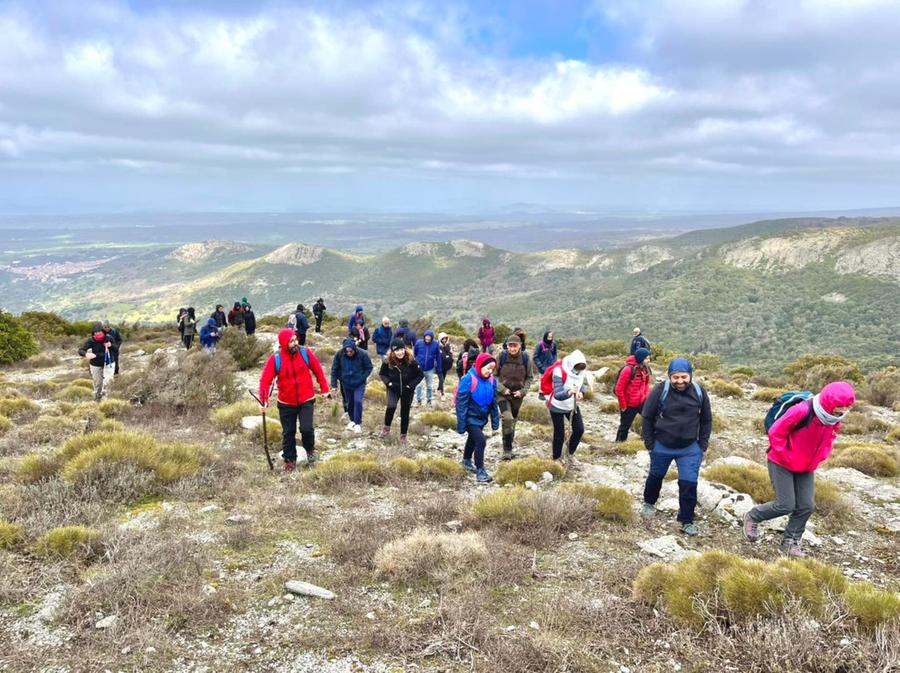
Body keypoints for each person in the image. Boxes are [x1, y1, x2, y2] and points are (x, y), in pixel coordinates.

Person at [743, 381, 856, 557]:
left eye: (847, 407)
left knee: (807, 506)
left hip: (806, 466)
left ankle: (790, 542)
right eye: (840, 407)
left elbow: (829, 439)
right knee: (785, 504)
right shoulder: (802, 410)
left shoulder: (833, 418)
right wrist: (786, 455)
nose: (843, 411)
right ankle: (753, 516)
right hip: (781, 462)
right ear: (829, 402)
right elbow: (775, 432)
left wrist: (821, 456)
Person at [640, 358, 712, 537]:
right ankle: (649, 503)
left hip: (689, 448)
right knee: (656, 476)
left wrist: (702, 444)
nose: (680, 381)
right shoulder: (660, 390)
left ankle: (686, 520)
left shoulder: (698, 391)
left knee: (689, 483)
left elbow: (706, 419)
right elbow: (647, 417)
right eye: (675, 377)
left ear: (690, 375)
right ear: (669, 376)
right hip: (662, 445)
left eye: (684, 377)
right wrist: (650, 444)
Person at [259, 329, 330, 470]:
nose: (295, 343)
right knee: (288, 432)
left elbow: (317, 370)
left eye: (295, 340)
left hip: (306, 399)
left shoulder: (305, 352)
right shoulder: (276, 358)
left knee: (306, 429)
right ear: (284, 343)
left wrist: (324, 389)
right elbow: (265, 381)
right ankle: (290, 460)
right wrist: (263, 400)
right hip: (286, 403)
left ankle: (310, 450)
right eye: (291, 341)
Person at [455, 353, 500, 483]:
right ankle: (480, 471)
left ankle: (466, 460)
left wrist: (495, 422)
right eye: (487, 368)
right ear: (480, 365)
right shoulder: (468, 379)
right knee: (481, 441)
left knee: (473, 439)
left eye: (492, 369)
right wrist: (462, 424)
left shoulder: (492, 380)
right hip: (470, 418)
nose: (490, 372)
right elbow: (461, 404)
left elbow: (493, 402)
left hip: (482, 417)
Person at [496, 334, 534, 461]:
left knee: (512, 422)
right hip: (502, 395)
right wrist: (502, 389)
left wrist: (523, 391)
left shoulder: (525, 358)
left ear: (520, 346)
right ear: (507, 346)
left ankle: (509, 446)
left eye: (515, 346)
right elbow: (494, 376)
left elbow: (530, 377)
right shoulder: (501, 356)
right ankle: (507, 450)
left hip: (517, 397)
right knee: (507, 418)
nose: (512, 348)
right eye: (510, 346)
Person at [379, 338, 424, 444]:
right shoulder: (387, 361)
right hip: (393, 389)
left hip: (407, 390)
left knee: (405, 411)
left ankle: (403, 436)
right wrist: (389, 383)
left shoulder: (411, 361)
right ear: (393, 352)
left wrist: (410, 386)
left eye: (401, 349)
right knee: (391, 407)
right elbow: (382, 374)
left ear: (405, 349)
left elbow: (420, 375)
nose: (400, 352)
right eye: (397, 350)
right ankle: (386, 429)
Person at [548, 349, 588, 468]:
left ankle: (570, 453)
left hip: (572, 405)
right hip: (557, 405)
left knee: (579, 429)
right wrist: (570, 392)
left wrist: (581, 392)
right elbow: (558, 394)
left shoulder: (581, 372)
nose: (578, 371)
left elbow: (581, 385)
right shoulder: (559, 371)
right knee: (559, 432)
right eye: (576, 368)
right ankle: (556, 457)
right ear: (571, 364)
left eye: (580, 369)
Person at [330, 337, 374, 433]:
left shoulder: (363, 354)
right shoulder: (339, 354)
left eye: (351, 351)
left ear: (354, 349)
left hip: (359, 383)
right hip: (346, 383)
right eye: (347, 351)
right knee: (349, 403)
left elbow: (369, 367)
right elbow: (334, 370)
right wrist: (334, 385)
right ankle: (352, 420)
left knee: (357, 401)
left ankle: (357, 423)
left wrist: (362, 378)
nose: (349, 353)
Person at [614, 347, 652, 442]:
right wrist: (623, 406)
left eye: (649, 358)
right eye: (646, 358)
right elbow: (619, 389)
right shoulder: (628, 370)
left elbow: (646, 384)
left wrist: (646, 397)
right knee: (625, 426)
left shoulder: (645, 369)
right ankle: (619, 445)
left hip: (641, 402)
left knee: (651, 419)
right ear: (640, 358)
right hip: (629, 404)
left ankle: (647, 440)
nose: (649, 360)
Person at [78, 322, 118, 401]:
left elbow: (116, 349)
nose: (97, 334)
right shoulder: (91, 340)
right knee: (98, 384)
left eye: (99, 332)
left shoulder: (109, 338)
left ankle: (106, 400)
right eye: (95, 333)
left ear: (103, 331)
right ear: (93, 333)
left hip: (109, 362)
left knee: (108, 382)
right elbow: (81, 350)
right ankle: (97, 398)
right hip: (95, 363)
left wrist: (111, 345)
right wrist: (86, 354)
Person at [414, 329, 442, 406]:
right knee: (419, 385)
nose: (428, 338)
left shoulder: (436, 344)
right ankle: (419, 400)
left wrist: (439, 369)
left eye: (429, 337)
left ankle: (429, 400)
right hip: (419, 368)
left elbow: (438, 357)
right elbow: (415, 354)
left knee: (429, 386)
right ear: (424, 336)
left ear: (432, 337)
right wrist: (415, 364)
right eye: (426, 336)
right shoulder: (419, 343)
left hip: (430, 369)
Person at [534, 331, 558, 400]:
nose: (550, 339)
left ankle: (550, 392)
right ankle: (541, 393)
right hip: (543, 366)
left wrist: (554, 362)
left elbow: (555, 353)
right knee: (542, 379)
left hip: (551, 366)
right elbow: (535, 357)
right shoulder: (540, 345)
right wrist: (540, 366)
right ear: (545, 337)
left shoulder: (554, 344)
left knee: (551, 379)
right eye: (548, 337)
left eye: (551, 337)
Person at [437, 333, 454, 400]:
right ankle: (442, 394)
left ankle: (438, 389)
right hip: (439, 366)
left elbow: (450, 355)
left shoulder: (448, 346)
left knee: (443, 379)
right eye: (442, 339)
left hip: (446, 366)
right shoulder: (437, 346)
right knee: (441, 379)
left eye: (445, 339)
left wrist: (447, 356)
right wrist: (446, 356)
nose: (444, 340)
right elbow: (443, 356)